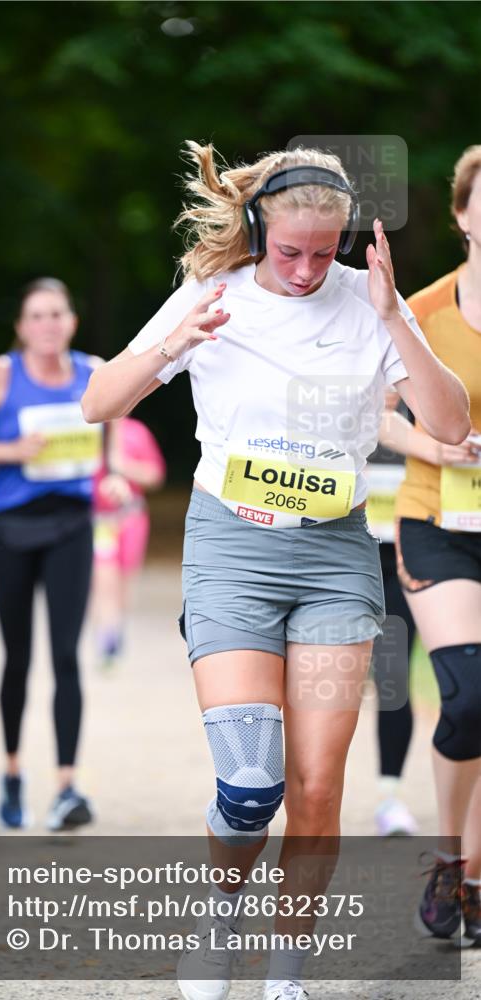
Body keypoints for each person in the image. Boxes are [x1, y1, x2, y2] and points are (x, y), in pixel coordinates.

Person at [82, 142, 469, 1000]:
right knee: (251, 782)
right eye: (289, 251)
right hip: (232, 552)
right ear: (258, 230)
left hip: (333, 555)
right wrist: (173, 341)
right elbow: (97, 402)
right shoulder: (210, 293)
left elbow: (448, 425)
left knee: (318, 787)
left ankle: (284, 975)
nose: (303, 272)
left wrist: (392, 315)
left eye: (323, 254)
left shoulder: (367, 301)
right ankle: (220, 917)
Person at [0, 277, 102, 832]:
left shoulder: (93, 372)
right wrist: (11, 451)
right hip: (9, 528)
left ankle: (66, 787)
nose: (48, 325)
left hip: (71, 525)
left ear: (72, 322)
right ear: (21, 326)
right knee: (18, 656)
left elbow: (113, 439)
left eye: (57, 314)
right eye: (37, 316)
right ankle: (12, 773)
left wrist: (116, 476)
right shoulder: (1, 373)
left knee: (66, 655)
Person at [388, 145, 481, 949]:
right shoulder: (422, 311)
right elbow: (372, 414)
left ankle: (475, 872)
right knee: (470, 694)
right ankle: (450, 858)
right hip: (437, 521)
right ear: (461, 215)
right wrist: (432, 447)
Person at [366, 390, 419, 836]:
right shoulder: (333, 406)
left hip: (407, 557)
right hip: (344, 556)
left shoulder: (429, 415)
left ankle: (390, 797)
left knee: (392, 676)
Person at [92, 415, 166, 669]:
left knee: (125, 579)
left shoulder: (137, 432)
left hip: (131, 517)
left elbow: (155, 475)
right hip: (99, 521)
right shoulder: (89, 430)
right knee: (104, 577)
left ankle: (116, 627)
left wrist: (120, 467)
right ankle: (106, 637)